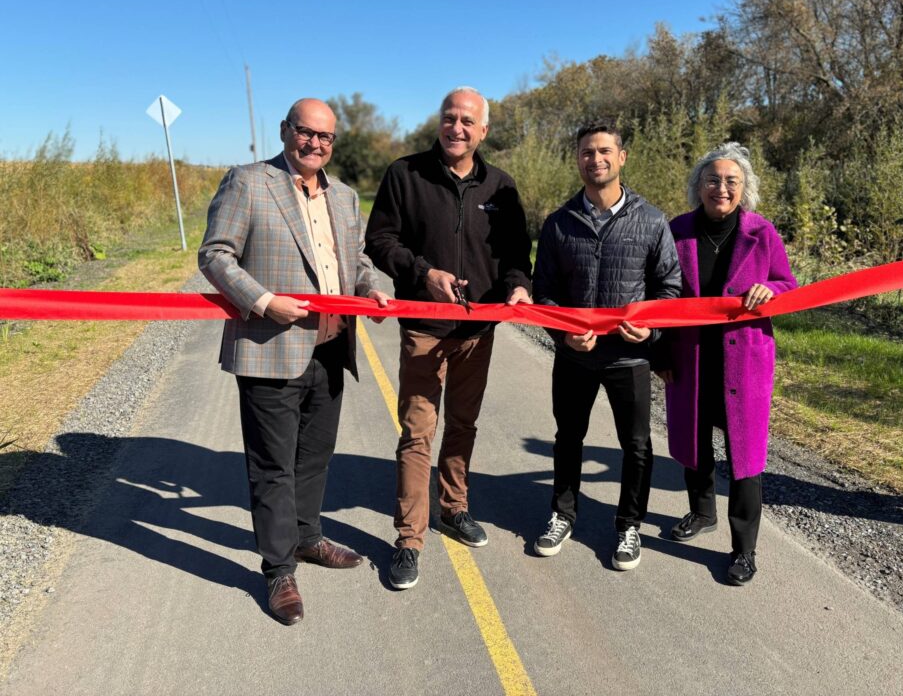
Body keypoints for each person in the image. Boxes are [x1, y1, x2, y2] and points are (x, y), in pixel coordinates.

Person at [199, 98, 390, 624]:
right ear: (286, 131)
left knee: (315, 457)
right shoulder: (249, 181)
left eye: (325, 137)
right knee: (272, 466)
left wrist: (369, 289)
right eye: (306, 132)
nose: (315, 144)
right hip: (269, 347)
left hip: (329, 349)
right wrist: (262, 301)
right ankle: (278, 568)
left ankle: (308, 538)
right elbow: (215, 255)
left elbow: (357, 260)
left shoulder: (346, 197)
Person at [364, 86, 533, 590]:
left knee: (464, 424)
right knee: (418, 431)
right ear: (439, 123)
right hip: (423, 328)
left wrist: (519, 288)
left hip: (477, 333)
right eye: (448, 118)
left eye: (467, 121)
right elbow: (380, 241)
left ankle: (454, 508)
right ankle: (409, 539)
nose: (456, 128)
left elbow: (514, 256)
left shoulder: (501, 187)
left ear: (483, 131)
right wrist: (422, 273)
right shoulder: (405, 173)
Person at [532, 121, 682, 570]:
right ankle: (562, 514)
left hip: (629, 356)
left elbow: (669, 287)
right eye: (586, 152)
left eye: (603, 151)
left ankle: (629, 525)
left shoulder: (652, 220)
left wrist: (652, 332)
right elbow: (545, 293)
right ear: (577, 159)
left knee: (636, 445)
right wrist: (562, 334)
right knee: (568, 438)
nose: (594, 159)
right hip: (574, 356)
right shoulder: (559, 223)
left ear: (621, 157)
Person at [658, 141, 797, 585]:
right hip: (691, 354)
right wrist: (659, 351)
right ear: (698, 185)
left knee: (746, 457)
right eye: (713, 180)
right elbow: (660, 295)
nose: (721, 187)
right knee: (693, 441)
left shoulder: (763, 232)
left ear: (744, 188)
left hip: (746, 362)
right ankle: (701, 512)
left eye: (731, 181)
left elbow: (787, 283)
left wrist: (770, 291)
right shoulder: (676, 231)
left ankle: (744, 549)